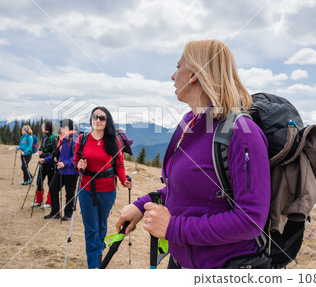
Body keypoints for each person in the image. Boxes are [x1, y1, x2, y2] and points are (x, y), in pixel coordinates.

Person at [115, 39, 271, 269]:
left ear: (195, 74)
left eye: (178, 67)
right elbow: (184, 188)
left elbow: (250, 220)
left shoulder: (241, 133)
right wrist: (142, 205)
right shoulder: (191, 123)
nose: (172, 76)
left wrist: (173, 228)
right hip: (181, 260)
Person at [74, 106, 132, 269]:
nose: (98, 120)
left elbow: (119, 164)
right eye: (95, 117)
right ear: (91, 119)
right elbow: (75, 162)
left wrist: (123, 180)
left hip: (108, 190)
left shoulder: (113, 140)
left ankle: (99, 250)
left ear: (107, 122)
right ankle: (94, 266)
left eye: (102, 118)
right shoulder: (82, 139)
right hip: (86, 189)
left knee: (102, 224)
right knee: (91, 229)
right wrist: (80, 166)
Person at [40, 119, 78, 220]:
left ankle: (68, 214)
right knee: (53, 188)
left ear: (67, 127)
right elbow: (56, 153)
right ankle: (55, 212)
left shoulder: (73, 138)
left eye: (61, 126)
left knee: (69, 193)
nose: (60, 128)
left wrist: (65, 163)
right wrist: (46, 159)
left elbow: (76, 156)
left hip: (71, 171)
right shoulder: (62, 138)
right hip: (60, 170)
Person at [32, 120, 58, 208]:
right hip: (43, 164)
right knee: (39, 181)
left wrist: (43, 154)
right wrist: (41, 152)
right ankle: (39, 201)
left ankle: (49, 202)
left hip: (50, 164)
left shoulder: (53, 138)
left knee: (50, 183)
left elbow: (55, 153)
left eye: (43, 126)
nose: (41, 127)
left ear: (47, 128)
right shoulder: (44, 137)